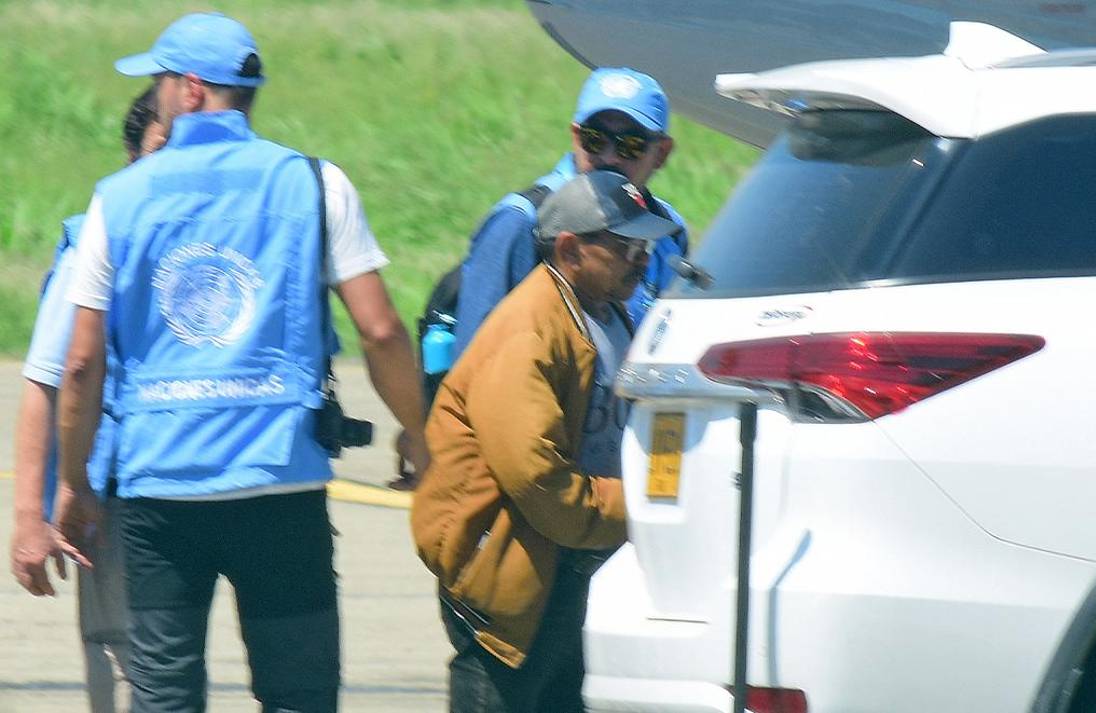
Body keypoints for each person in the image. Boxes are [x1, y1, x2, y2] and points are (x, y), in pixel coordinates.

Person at [51, 12, 430, 713]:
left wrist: (73, 481)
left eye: (162, 80)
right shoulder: (317, 184)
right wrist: (420, 430)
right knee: (299, 693)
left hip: (161, 490)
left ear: (191, 90)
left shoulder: (120, 197)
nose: (159, 94)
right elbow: (380, 331)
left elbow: (80, 364)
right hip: (280, 484)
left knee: (166, 693)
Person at [412, 169, 681, 712]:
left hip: (571, 562)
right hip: (512, 577)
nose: (640, 259)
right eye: (625, 246)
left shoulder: (604, 313)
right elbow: (539, 479)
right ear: (570, 249)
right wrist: (641, 510)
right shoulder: (529, 333)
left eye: (645, 246)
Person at [9, 86, 164, 713]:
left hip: (200, 482)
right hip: (120, 488)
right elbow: (54, 375)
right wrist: (33, 514)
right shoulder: (98, 241)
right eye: (161, 148)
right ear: (131, 156)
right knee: (126, 649)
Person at [451, 66, 689, 357]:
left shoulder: (668, 230)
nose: (609, 157)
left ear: (661, 153)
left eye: (631, 145)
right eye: (595, 139)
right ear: (576, 136)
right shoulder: (522, 221)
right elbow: (475, 357)